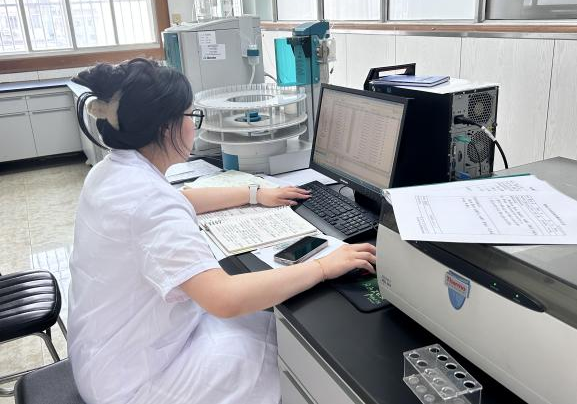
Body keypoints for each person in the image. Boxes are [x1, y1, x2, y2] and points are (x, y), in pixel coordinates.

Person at [67, 58, 376, 404]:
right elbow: (224, 298)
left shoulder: (112, 171)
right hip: (135, 383)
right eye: (191, 115)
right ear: (165, 127)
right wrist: (322, 267)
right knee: (292, 356)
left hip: (109, 354)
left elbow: (180, 199)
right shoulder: (148, 202)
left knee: (270, 329)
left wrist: (254, 193)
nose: (194, 126)